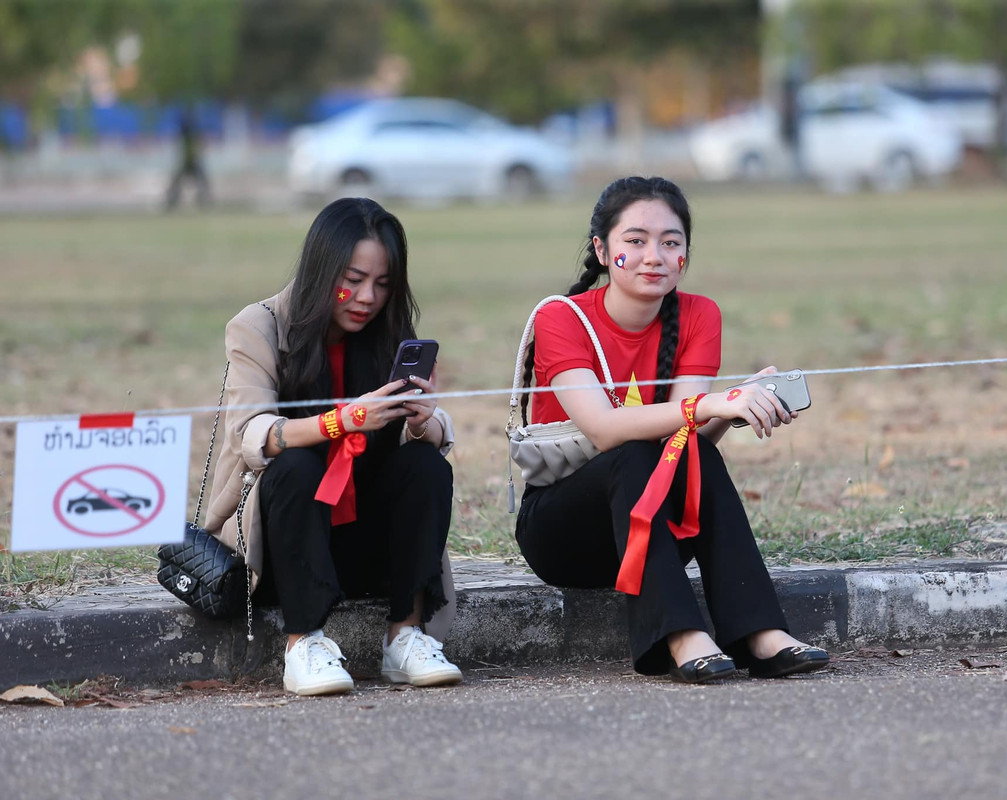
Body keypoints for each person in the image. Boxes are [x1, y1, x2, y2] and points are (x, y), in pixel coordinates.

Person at [514, 176, 830, 683]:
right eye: (635, 241)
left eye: (671, 242)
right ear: (601, 249)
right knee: (631, 452)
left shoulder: (699, 315)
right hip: (565, 534)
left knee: (692, 453)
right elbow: (603, 430)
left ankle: (760, 633)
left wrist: (725, 413)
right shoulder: (560, 317)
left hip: (658, 526)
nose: (654, 256)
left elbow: (682, 447)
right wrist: (708, 404)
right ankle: (679, 636)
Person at [204, 197, 461, 696]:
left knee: (425, 465)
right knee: (296, 464)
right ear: (321, 269)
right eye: (353, 279)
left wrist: (423, 421)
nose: (366, 297)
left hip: (366, 542)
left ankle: (405, 637)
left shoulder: (389, 334)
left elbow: (433, 439)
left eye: (382, 284)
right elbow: (252, 434)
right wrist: (340, 422)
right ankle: (303, 644)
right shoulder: (258, 327)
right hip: (285, 543)